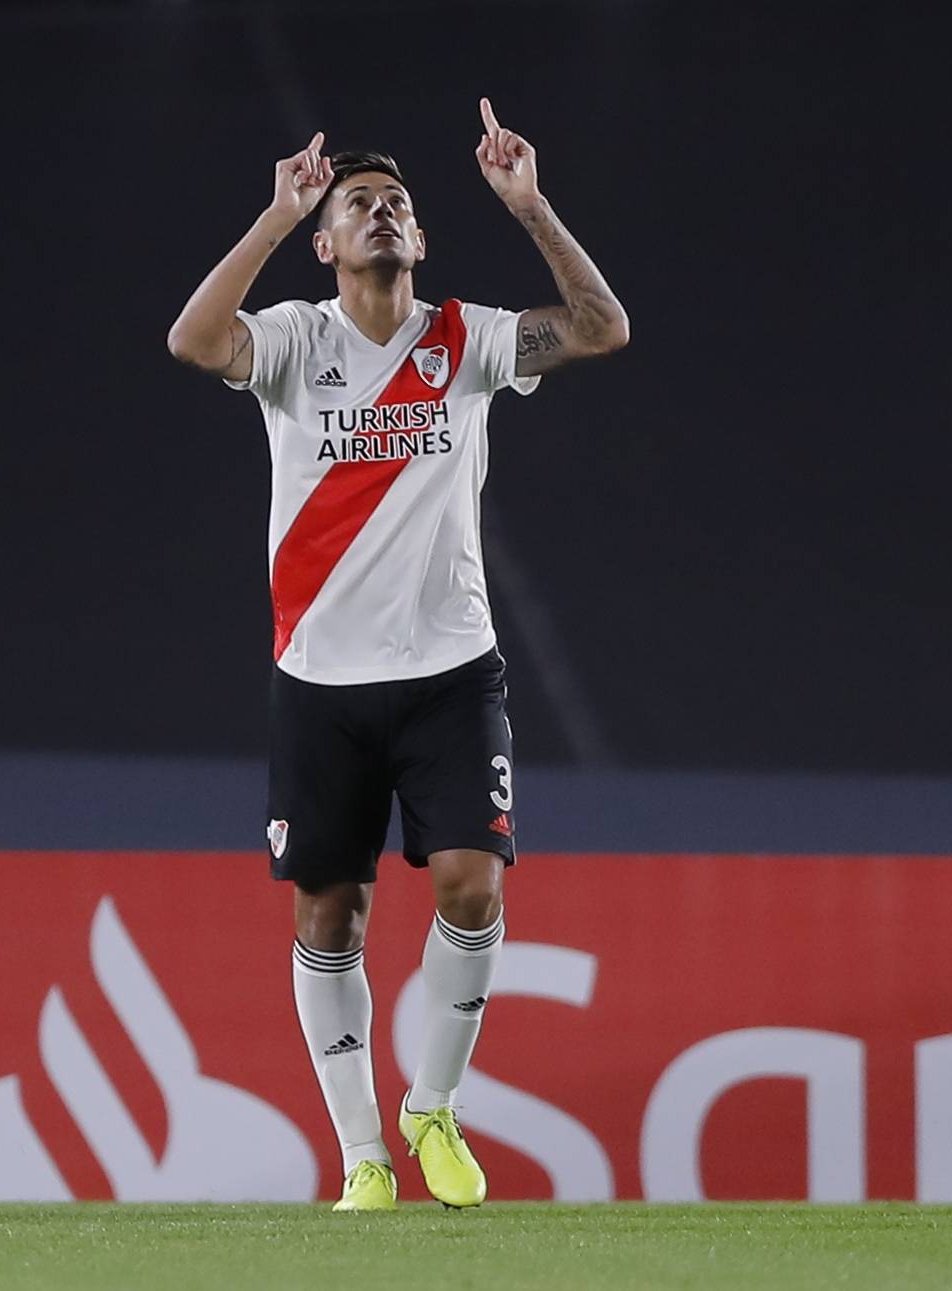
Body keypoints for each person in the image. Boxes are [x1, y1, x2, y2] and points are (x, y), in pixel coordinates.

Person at [166, 99, 629, 1212]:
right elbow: (191, 340)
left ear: (420, 242)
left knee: (471, 887)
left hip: (450, 676)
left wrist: (530, 205)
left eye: (400, 206)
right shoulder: (289, 340)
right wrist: (275, 217)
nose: (384, 212)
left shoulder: (463, 339)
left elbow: (603, 327)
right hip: (320, 683)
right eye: (358, 205)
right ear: (327, 243)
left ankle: (433, 1104)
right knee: (330, 917)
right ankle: (365, 1155)